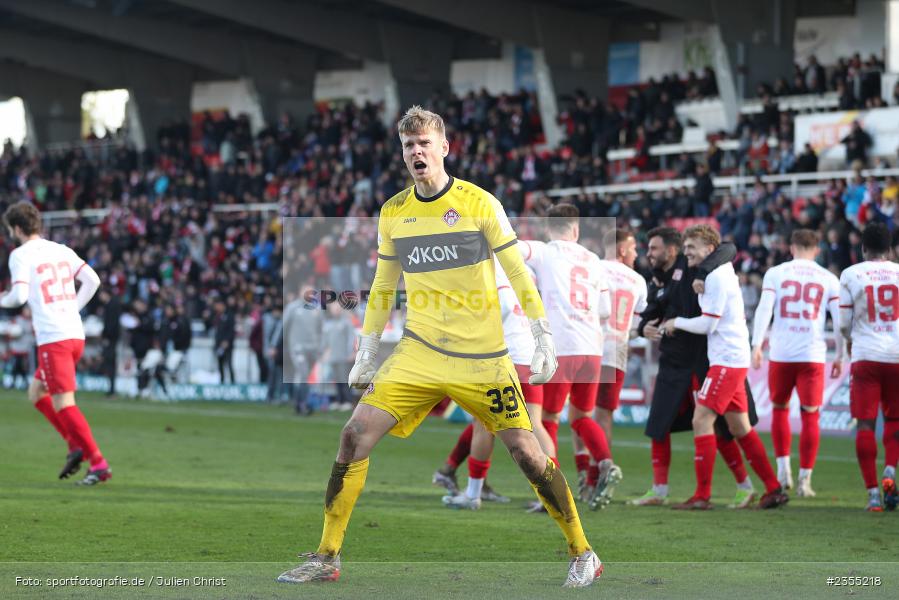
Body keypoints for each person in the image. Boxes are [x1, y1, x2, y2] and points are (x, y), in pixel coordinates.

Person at [277, 106, 602, 588]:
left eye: (424, 143)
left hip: (484, 359)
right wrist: (368, 350)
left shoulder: (480, 203)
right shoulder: (394, 212)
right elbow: (383, 285)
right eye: (408, 145)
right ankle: (326, 556)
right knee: (352, 436)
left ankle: (583, 552)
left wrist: (542, 334)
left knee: (527, 452)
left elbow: (517, 271)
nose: (416, 152)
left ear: (444, 148)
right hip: (419, 352)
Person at [662, 225, 788, 510]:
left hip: (727, 359)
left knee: (701, 419)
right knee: (739, 426)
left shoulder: (717, 276)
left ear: (709, 249)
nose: (687, 252)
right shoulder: (716, 272)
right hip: (730, 356)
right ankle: (774, 488)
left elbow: (709, 324)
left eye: (691, 247)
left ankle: (702, 496)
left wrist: (676, 323)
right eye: (685, 248)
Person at [632, 227, 758, 508]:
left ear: (671, 250)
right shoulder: (656, 282)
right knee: (658, 425)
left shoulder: (691, 265)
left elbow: (727, 248)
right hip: (673, 362)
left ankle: (744, 486)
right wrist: (643, 328)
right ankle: (659, 490)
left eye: (653, 249)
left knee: (723, 427)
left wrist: (701, 273)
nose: (648, 254)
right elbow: (651, 313)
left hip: (703, 359)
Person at [0, 202, 106, 485]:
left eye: (10, 229)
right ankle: (75, 446)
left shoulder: (20, 255)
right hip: (74, 334)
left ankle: (98, 463)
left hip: (54, 337)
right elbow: (92, 281)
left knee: (64, 402)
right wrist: (73, 306)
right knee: (36, 392)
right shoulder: (61, 249)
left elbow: (19, 296)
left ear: (18, 229)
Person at [519, 205, 616, 510]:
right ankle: (604, 462)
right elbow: (606, 311)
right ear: (576, 230)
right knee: (582, 417)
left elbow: (510, 248)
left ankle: (553, 492)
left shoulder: (544, 251)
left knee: (547, 420)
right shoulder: (595, 260)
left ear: (549, 229)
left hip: (560, 348)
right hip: (592, 348)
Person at [438, 259, 553, 511]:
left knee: (482, 424)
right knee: (534, 424)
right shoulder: (525, 271)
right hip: (529, 354)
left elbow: (493, 312)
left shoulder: (487, 270)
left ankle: (473, 494)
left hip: (502, 357)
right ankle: (551, 492)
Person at [751, 229, 843, 496]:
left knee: (779, 409)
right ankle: (805, 480)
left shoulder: (776, 273)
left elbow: (764, 309)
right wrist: (840, 354)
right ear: (817, 250)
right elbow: (838, 319)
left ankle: (783, 472)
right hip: (812, 354)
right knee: (810, 414)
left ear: (791, 248)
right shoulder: (828, 278)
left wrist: (756, 345)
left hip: (781, 353)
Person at [574, 229, 647, 497]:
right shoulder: (638, 280)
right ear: (623, 249)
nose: (637, 254)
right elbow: (638, 325)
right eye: (634, 248)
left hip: (587, 346)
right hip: (616, 351)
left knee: (580, 413)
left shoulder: (591, 267)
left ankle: (583, 474)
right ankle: (598, 479)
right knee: (604, 415)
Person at [838, 222, 899, 511]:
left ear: (863, 248)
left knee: (864, 424)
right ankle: (889, 468)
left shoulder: (851, 274)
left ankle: (873, 494)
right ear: (890, 249)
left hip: (865, 355)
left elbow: (842, 323)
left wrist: (851, 339)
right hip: (897, 356)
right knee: (895, 421)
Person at [98, 290, 122, 396]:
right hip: (112, 338)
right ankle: (111, 389)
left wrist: (105, 336)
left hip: (111, 339)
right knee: (109, 364)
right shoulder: (112, 305)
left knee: (109, 363)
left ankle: (112, 390)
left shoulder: (111, 306)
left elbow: (111, 324)